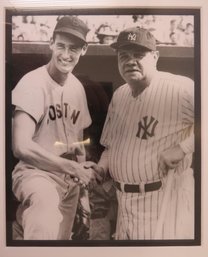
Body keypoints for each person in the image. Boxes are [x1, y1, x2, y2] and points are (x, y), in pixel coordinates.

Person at [89, 27, 194, 240]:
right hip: (124, 205)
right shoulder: (119, 95)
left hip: (164, 201)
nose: (130, 61)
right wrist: (100, 168)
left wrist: (184, 148)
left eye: (139, 55)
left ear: (155, 57)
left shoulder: (180, 88)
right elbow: (111, 146)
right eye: (124, 56)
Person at [11, 15, 100, 240]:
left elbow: (78, 145)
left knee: (61, 244)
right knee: (45, 208)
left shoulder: (77, 88)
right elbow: (20, 147)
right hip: (36, 173)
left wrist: (83, 196)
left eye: (73, 48)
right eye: (60, 45)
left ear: (84, 50)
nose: (66, 54)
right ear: (51, 43)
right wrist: (72, 168)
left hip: (68, 183)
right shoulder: (32, 83)